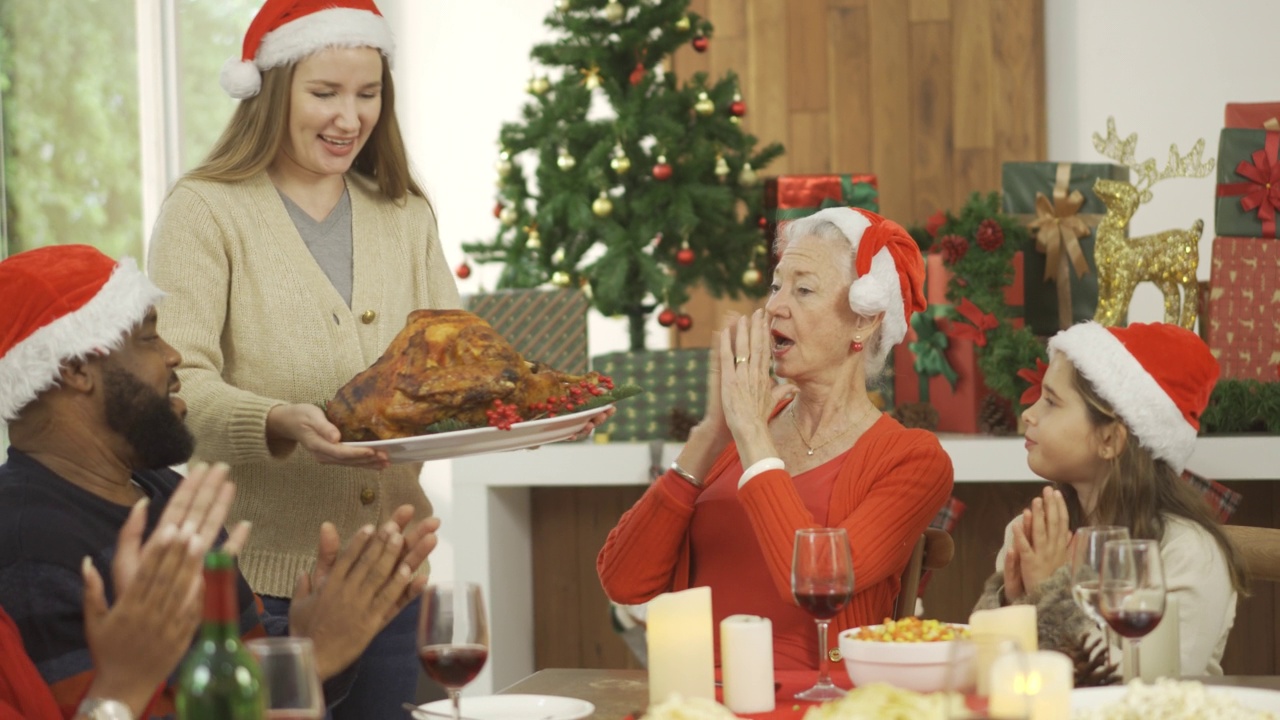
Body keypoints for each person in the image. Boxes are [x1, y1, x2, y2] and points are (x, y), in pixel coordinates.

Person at [144, 0, 461, 715]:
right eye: (325, 93)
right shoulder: (207, 210)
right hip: (258, 589)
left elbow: (451, 362)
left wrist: (522, 412)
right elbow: (175, 385)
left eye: (368, 93)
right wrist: (279, 420)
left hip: (389, 577)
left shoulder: (405, 213)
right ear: (270, 91)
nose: (350, 118)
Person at [0, 245, 440, 718]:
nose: (173, 355)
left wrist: (305, 640)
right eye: (149, 337)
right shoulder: (28, 544)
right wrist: (309, 660)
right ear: (76, 369)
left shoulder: (161, 490)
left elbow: (234, 659)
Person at [597, 207, 956, 670]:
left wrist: (750, 434)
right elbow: (623, 581)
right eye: (775, 286)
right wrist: (711, 434)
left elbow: (814, 581)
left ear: (865, 321)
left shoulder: (912, 459)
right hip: (695, 696)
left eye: (803, 289)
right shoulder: (742, 427)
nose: (774, 307)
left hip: (818, 701)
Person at [973, 321, 1247, 676]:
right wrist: (1010, 601)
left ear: (1110, 440)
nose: (1029, 414)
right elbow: (995, 673)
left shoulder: (1189, 553)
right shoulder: (1033, 534)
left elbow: (1152, 689)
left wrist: (1048, 594)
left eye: (1052, 402)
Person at [1, 462, 244, 720]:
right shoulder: (33, 543)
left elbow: (249, 642)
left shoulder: (162, 483)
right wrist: (123, 685)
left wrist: (291, 636)